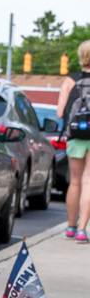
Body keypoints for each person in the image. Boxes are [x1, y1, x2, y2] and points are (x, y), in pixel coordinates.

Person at [57, 39, 90, 242]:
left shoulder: (70, 80)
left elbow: (60, 113)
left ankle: (70, 226)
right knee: (89, 182)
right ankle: (82, 230)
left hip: (75, 136)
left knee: (75, 181)